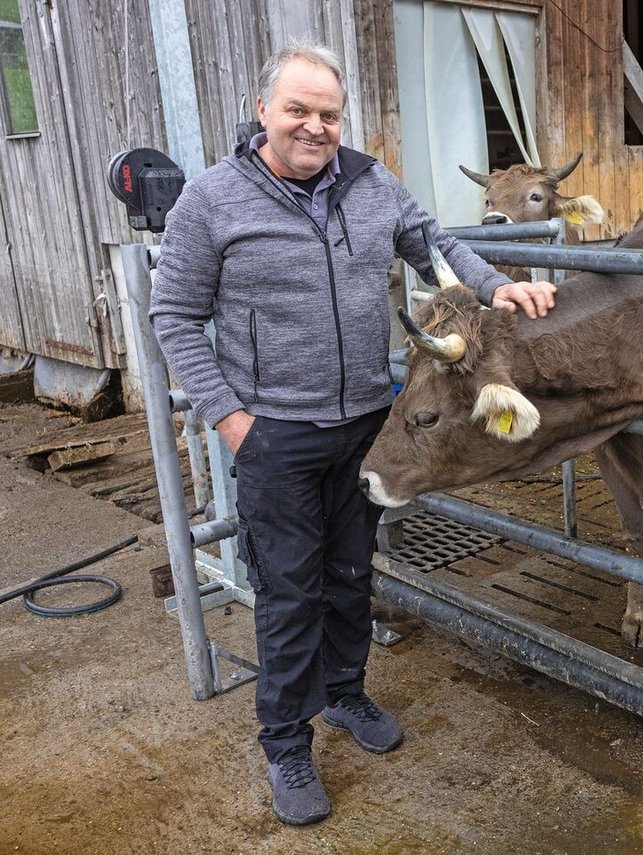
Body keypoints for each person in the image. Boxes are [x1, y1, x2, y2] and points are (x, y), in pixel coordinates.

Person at [149, 41, 556, 826]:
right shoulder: (212, 200)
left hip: (365, 424)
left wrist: (501, 285)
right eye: (297, 110)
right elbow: (174, 316)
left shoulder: (373, 186)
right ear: (263, 110)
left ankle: (345, 694)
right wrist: (232, 419)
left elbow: (437, 246)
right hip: (275, 433)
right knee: (289, 589)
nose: (315, 126)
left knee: (349, 572)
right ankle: (287, 743)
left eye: (328, 114)